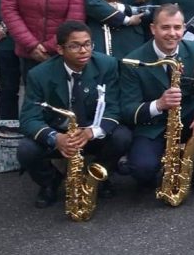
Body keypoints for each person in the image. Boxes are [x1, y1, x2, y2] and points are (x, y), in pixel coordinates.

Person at [17, 21, 128, 208]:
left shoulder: (107, 65)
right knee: (25, 149)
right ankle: (50, 181)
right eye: (75, 46)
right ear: (60, 49)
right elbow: (29, 118)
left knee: (122, 137)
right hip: (60, 133)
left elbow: (114, 107)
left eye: (87, 44)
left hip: (91, 132)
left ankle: (98, 176)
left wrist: (93, 131)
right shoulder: (39, 75)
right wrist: (55, 138)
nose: (83, 50)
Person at [121, 4, 194, 197]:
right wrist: (158, 105)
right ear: (153, 29)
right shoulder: (133, 61)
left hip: (186, 118)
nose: (172, 33)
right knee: (142, 170)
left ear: (184, 28)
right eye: (165, 27)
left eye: (177, 27)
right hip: (152, 125)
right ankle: (157, 171)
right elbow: (127, 110)